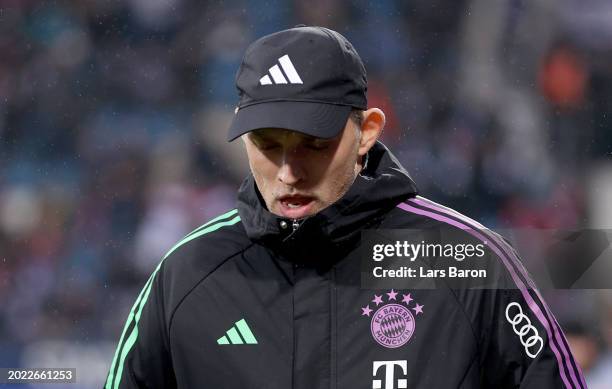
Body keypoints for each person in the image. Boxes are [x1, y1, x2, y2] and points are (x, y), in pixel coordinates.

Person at [104, 25, 586, 388]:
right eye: (269, 145)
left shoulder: (463, 262)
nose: (289, 172)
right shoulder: (188, 275)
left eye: (313, 144)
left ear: (368, 131)